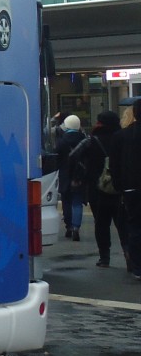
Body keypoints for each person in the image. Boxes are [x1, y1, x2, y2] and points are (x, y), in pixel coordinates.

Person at [70, 110, 124, 266]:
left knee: (101, 223)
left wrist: (82, 173)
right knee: (122, 224)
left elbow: (73, 156)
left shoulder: (91, 141)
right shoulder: (121, 138)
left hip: (97, 189)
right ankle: (129, 254)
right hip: (120, 188)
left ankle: (104, 257)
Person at [110, 99, 141, 278]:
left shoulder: (121, 136)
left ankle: (137, 266)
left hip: (130, 189)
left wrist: (120, 186)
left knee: (135, 227)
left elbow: (114, 165)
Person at [55, 113, 87, 241]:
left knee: (66, 202)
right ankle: (76, 227)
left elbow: (57, 159)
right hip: (79, 175)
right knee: (77, 202)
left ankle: (68, 226)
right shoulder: (84, 140)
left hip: (64, 175)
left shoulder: (61, 142)